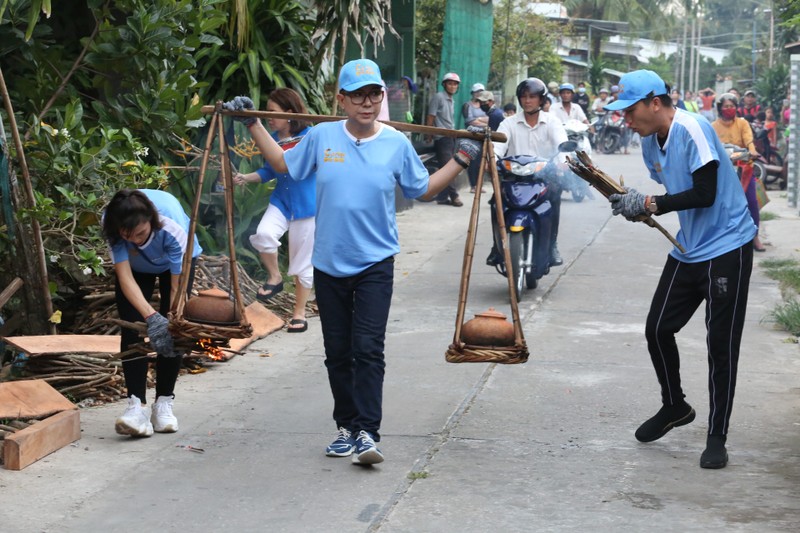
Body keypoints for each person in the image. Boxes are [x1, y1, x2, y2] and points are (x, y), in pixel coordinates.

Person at [224, 59, 482, 466]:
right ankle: (345, 427)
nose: (367, 102)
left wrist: (463, 159)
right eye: (358, 95)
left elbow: (424, 189)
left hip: (375, 263)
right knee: (337, 351)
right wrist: (253, 122)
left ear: (381, 97)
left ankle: (367, 431)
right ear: (341, 99)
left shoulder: (396, 142)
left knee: (368, 348)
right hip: (328, 264)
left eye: (374, 94)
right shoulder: (322, 136)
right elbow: (282, 165)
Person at [605, 70, 756, 469]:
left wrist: (652, 204)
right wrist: (634, 207)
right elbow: (674, 193)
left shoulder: (693, 128)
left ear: (656, 102)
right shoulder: (649, 142)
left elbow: (704, 194)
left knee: (720, 344)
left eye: (630, 109)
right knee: (657, 328)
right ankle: (674, 405)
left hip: (728, 245)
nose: (626, 119)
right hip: (689, 247)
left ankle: (717, 434)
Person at [104, 189, 202, 437]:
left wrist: (167, 319)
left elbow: (177, 288)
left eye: (140, 233)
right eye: (128, 236)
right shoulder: (111, 222)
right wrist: (150, 317)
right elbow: (125, 277)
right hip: (137, 269)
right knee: (131, 327)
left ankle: (164, 403)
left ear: (151, 220)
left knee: (174, 330)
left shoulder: (171, 227)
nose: (135, 240)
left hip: (174, 265)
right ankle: (136, 406)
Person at [233, 88, 315, 331]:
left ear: (289, 113)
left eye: (272, 111)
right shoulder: (270, 137)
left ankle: (299, 313)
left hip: (307, 206)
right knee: (264, 235)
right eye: (266, 111)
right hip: (281, 201)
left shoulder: (311, 136)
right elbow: (270, 169)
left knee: (302, 262)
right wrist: (245, 177)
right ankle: (275, 277)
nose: (268, 116)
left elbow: (292, 166)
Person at [491, 78, 568, 267]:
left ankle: (552, 245)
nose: (527, 101)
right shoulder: (508, 123)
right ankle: (496, 246)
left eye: (532, 97)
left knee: (555, 200)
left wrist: (563, 162)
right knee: (495, 202)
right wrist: (491, 159)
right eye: (524, 97)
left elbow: (562, 145)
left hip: (543, 178)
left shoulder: (552, 122)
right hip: (513, 178)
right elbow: (497, 146)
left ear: (541, 100)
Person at [711, 93, 766, 252]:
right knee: (721, 204)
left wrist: (752, 150)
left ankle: (755, 236)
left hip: (744, 168)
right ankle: (724, 237)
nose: (730, 109)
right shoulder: (713, 126)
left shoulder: (742, 123)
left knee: (752, 202)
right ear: (720, 108)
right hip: (724, 170)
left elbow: (749, 140)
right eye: (726, 106)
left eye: (732, 106)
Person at [426, 72, 464, 207]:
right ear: (444, 84)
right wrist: (429, 133)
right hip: (442, 137)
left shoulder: (451, 99)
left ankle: (442, 197)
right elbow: (431, 116)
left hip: (451, 136)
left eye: (455, 84)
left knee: (447, 167)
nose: (453, 86)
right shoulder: (439, 97)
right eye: (450, 83)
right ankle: (454, 196)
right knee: (449, 168)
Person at [463, 83, 489, 193]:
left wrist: (478, 119)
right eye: (477, 92)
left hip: (483, 136)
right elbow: (469, 121)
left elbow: (490, 118)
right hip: (472, 136)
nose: (479, 94)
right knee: (472, 162)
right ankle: (473, 185)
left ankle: (479, 185)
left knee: (481, 162)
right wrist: (483, 121)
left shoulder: (485, 105)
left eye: (481, 92)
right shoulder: (467, 105)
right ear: (473, 93)